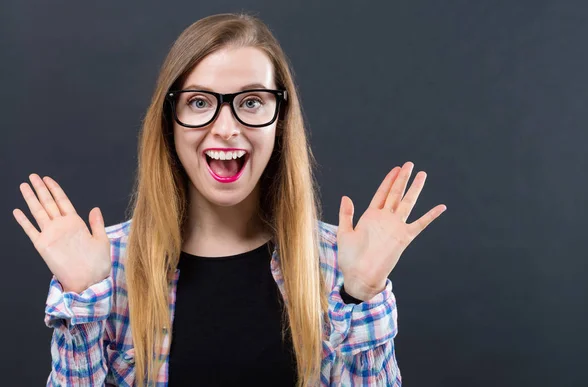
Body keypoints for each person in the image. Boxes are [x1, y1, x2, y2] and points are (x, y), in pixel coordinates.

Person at [13, 12, 446, 387]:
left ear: (280, 120)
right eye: (200, 102)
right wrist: (83, 301)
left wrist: (359, 296)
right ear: (170, 121)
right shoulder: (106, 267)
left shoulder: (336, 262)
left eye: (252, 102)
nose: (225, 127)